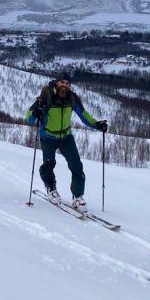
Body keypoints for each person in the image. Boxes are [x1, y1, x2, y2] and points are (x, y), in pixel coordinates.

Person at [26, 72, 107, 212]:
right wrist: (35, 114)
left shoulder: (72, 98)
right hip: (48, 137)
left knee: (76, 165)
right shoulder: (46, 97)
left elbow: (84, 115)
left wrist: (97, 124)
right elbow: (29, 117)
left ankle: (78, 197)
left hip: (66, 137)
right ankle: (51, 188)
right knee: (49, 163)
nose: (64, 85)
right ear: (57, 83)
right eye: (62, 82)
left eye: (67, 83)